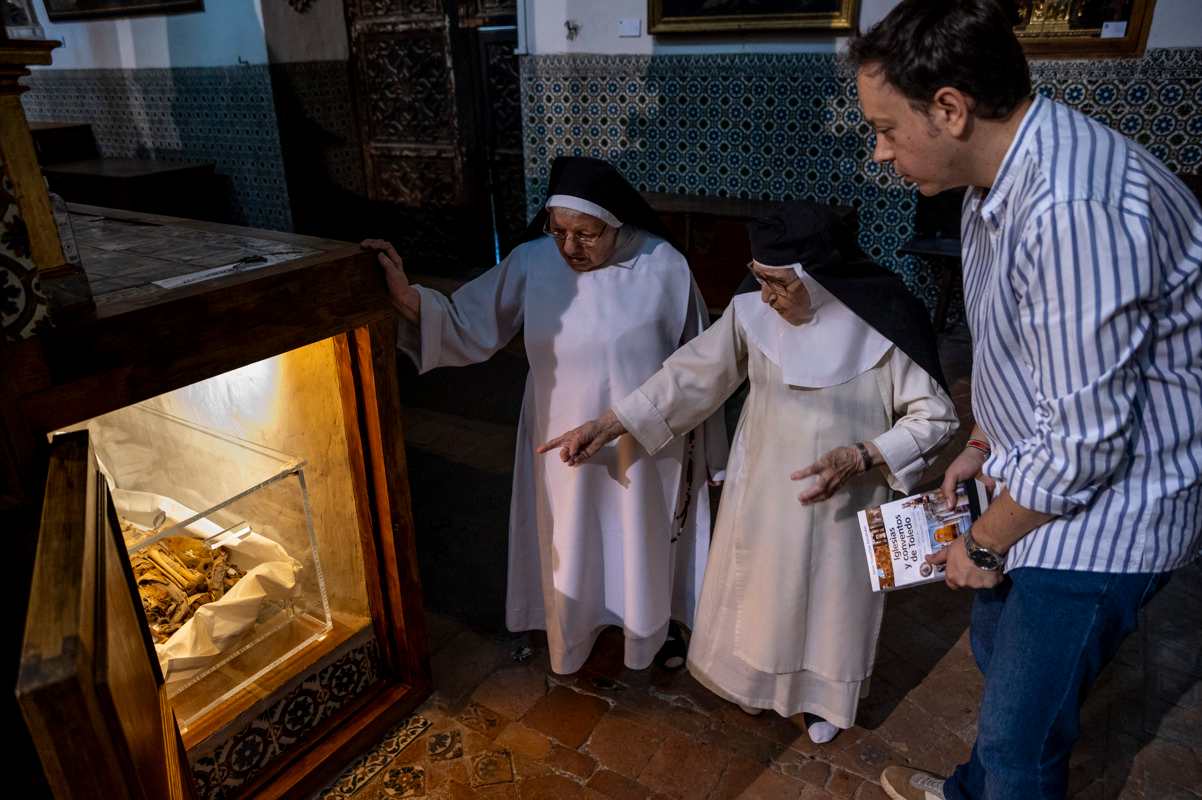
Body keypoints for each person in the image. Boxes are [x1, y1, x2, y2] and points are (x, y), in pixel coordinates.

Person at [848, 2, 1202, 798]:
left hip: (1112, 513)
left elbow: (1086, 449)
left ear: (949, 107)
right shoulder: (995, 179)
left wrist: (980, 545)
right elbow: (1027, 355)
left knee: (1020, 734)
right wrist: (980, 444)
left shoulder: (1072, 208)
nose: (879, 152)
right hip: (1038, 480)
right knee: (998, 654)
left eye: (886, 127)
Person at [539, 201, 957, 743]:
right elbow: (691, 376)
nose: (767, 297)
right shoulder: (755, 310)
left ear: (820, 276)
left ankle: (821, 701)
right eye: (759, 280)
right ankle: (754, 686)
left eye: (780, 284)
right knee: (759, 592)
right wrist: (611, 422)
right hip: (761, 485)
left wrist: (865, 454)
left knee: (829, 605)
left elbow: (937, 416)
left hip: (844, 496)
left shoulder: (885, 320)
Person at [361, 156, 726, 676]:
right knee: (572, 538)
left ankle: (645, 634)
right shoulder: (533, 262)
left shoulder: (664, 266)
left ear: (616, 223)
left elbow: (698, 368)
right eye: (559, 233)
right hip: (560, 439)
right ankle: (575, 635)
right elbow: (468, 321)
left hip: (643, 443)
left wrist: (711, 454)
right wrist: (411, 300)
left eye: (587, 234)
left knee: (637, 538)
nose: (571, 249)